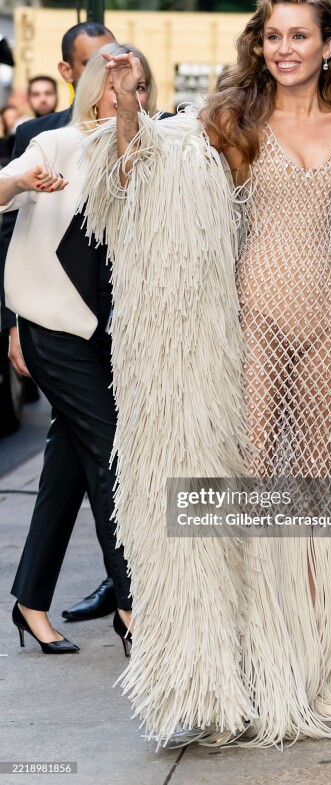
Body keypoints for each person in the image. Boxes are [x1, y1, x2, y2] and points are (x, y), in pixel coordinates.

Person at [83, 0, 331, 747]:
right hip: (254, 320)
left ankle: (310, 660)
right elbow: (155, 170)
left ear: (328, 46)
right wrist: (129, 109)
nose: (284, 49)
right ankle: (243, 660)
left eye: (299, 36)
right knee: (246, 480)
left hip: (330, 322)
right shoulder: (233, 116)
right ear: (260, 44)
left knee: (316, 485)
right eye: (273, 36)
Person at [0, 42, 156, 654]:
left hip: (105, 335)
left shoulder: (145, 155)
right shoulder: (57, 143)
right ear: (93, 88)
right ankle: (131, 605)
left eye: (137, 87)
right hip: (51, 328)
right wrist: (20, 179)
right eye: (116, 86)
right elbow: (4, 189)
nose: (126, 97)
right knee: (111, 454)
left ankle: (29, 600)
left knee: (65, 471)